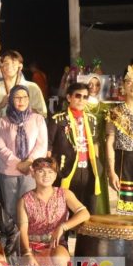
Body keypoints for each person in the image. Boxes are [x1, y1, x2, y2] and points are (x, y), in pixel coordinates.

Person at [18, 157, 90, 266]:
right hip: (32, 246)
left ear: (56, 175)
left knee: (61, 262)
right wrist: (27, 253)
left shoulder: (64, 194)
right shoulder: (24, 200)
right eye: (41, 171)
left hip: (55, 244)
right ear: (33, 174)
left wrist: (63, 226)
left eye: (50, 172)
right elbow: (23, 230)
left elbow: (84, 213)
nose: (46, 175)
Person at [0, 86, 48, 222]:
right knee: (10, 209)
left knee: (29, 208)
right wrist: (17, 163)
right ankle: (12, 235)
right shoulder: (3, 121)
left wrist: (29, 162)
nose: (22, 101)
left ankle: (27, 235)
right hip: (8, 171)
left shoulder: (37, 119)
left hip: (31, 170)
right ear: (11, 100)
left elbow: (42, 144)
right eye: (17, 97)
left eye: (25, 97)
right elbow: (0, 146)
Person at [47, 82, 100, 213]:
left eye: (85, 97)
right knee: (64, 209)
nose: (81, 100)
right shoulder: (57, 119)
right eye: (78, 96)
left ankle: (85, 228)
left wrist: (97, 166)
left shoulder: (92, 120)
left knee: (88, 208)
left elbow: (95, 144)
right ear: (69, 97)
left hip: (88, 170)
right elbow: (48, 146)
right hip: (66, 169)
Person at [106, 67, 133, 215]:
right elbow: (110, 141)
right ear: (123, 85)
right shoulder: (115, 112)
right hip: (124, 164)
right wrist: (111, 171)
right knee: (127, 215)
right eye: (129, 82)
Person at [0, 50, 47, 116]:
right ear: (1, 66)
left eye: (13, 63)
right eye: (6, 63)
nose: (9, 66)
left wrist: (24, 106)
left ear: (20, 66)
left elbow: (42, 114)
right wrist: (1, 105)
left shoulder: (32, 87)